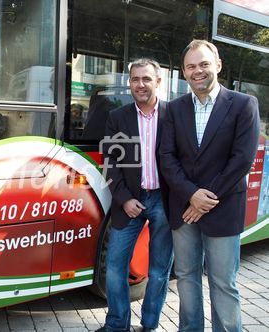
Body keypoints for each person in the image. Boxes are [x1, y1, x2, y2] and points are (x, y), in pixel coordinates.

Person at [159, 40, 260, 331]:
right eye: (191, 66)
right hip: (184, 207)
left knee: (223, 282)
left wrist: (206, 198)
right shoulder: (174, 109)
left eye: (203, 64)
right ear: (184, 72)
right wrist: (191, 194)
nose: (197, 71)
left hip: (223, 207)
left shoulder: (243, 104)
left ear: (218, 65)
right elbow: (166, 157)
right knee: (187, 277)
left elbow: (242, 159)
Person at [99, 59, 173, 332]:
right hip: (130, 199)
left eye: (146, 79)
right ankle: (117, 324)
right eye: (134, 79)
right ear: (129, 83)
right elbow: (110, 163)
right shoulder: (117, 117)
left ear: (158, 82)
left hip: (164, 202)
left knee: (158, 271)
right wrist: (124, 199)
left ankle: (149, 325)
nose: (140, 84)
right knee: (115, 268)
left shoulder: (173, 115)